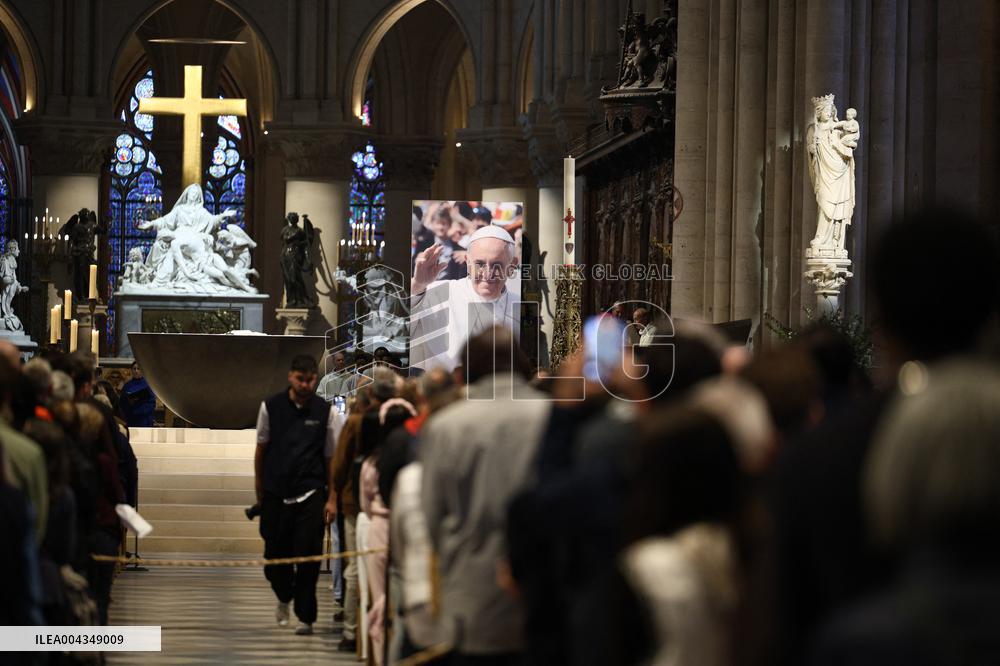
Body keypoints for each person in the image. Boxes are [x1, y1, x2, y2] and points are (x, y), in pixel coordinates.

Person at [420, 327, 550, 662]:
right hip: (542, 592)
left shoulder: (447, 426)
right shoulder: (553, 417)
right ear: (521, 364)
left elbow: (433, 515)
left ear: (465, 371)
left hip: (471, 592)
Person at [254, 354, 345, 635]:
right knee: (275, 559)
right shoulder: (270, 407)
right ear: (291, 377)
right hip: (275, 493)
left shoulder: (324, 411)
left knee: (308, 557)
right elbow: (261, 450)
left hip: (311, 493)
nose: (306, 385)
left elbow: (331, 457)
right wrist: (260, 491)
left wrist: (331, 498)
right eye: (300, 379)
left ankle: (306, 616)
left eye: (311, 380)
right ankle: (283, 596)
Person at [409, 226, 520, 373]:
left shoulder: (520, 306)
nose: (488, 273)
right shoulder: (439, 293)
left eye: (496, 265)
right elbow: (394, 332)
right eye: (480, 264)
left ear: (512, 265)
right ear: (468, 262)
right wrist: (417, 285)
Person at [0, 240, 29, 331]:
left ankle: (8, 313)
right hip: (3, 293)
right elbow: (2, 278)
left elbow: (14, 279)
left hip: (8, 293)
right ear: (12, 250)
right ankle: (5, 313)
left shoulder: (12, 262)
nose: (19, 251)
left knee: (15, 322)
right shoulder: (4, 261)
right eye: (17, 249)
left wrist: (20, 287)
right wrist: (9, 281)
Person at [121, 361, 157, 427]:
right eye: (134, 369)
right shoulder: (127, 386)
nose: (136, 371)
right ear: (131, 370)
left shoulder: (148, 385)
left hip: (144, 419)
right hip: (131, 418)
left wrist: (140, 411)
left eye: (138, 369)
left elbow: (152, 403)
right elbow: (122, 402)